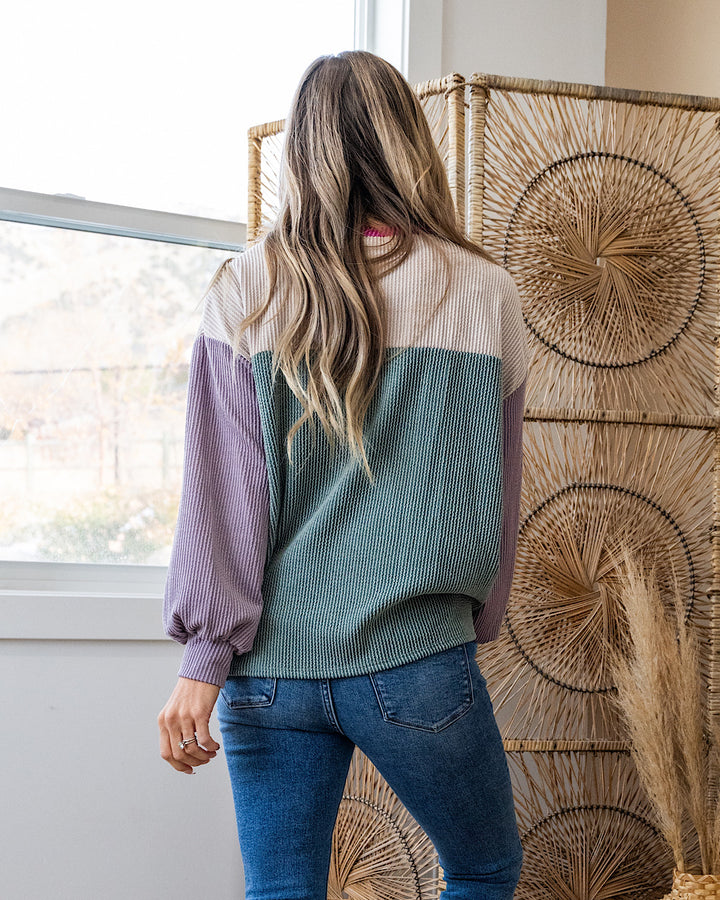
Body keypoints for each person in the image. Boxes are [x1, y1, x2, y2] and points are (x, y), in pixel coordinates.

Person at [157, 49, 528, 900]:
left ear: (300, 151)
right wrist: (477, 619)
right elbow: (499, 483)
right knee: (483, 870)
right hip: (417, 659)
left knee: (282, 889)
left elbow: (222, 493)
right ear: (411, 143)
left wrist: (204, 659)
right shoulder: (485, 292)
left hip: (267, 672)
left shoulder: (246, 288)